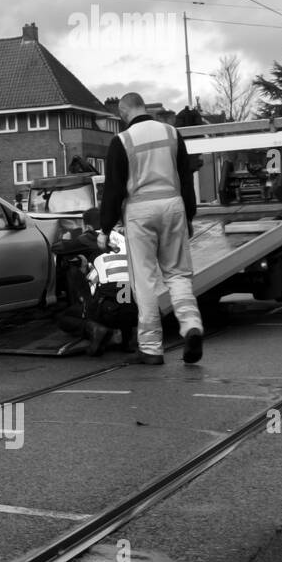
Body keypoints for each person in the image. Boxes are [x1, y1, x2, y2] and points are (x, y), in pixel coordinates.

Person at [98, 92, 203, 365]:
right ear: (144, 107)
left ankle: (151, 348)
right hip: (173, 205)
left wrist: (105, 228)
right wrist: (189, 216)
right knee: (178, 274)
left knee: (144, 280)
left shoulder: (121, 140)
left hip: (140, 211)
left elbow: (113, 189)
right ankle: (191, 324)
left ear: (123, 114)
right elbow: (185, 176)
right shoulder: (171, 133)